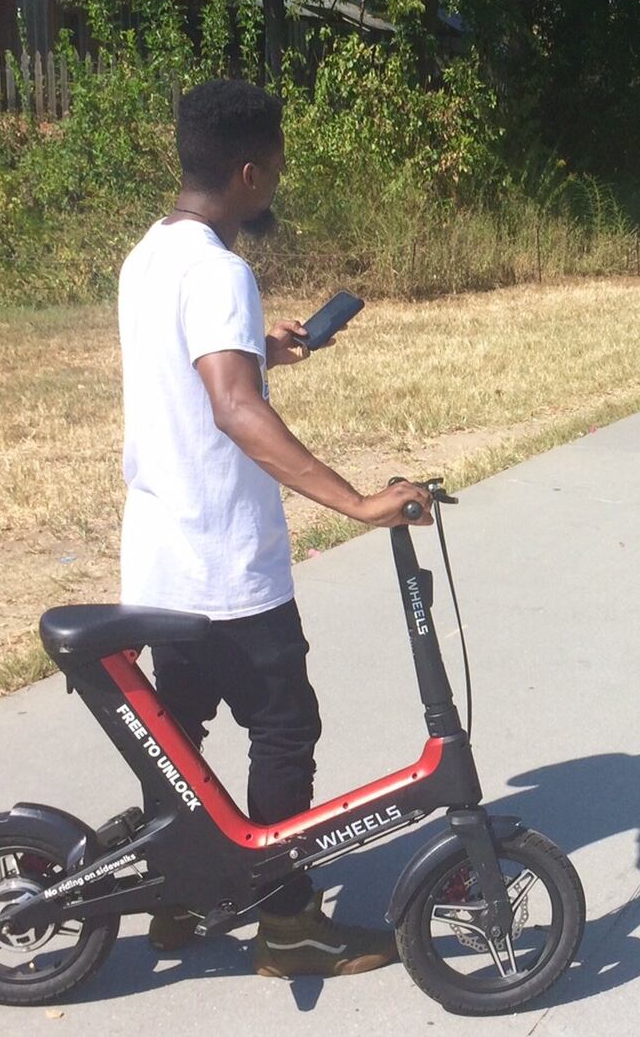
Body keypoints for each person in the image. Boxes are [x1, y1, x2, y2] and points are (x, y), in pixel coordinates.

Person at [116, 79, 432, 978]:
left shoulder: (150, 256)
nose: (277, 186)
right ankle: (288, 922)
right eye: (277, 171)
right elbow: (232, 407)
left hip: (162, 560)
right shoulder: (221, 271)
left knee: (180, 743)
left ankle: (177, 898)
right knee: (285, 729)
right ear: (249, 172)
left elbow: (202, 371)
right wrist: (360, 501)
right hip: (226, 568)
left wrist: (260, 342)